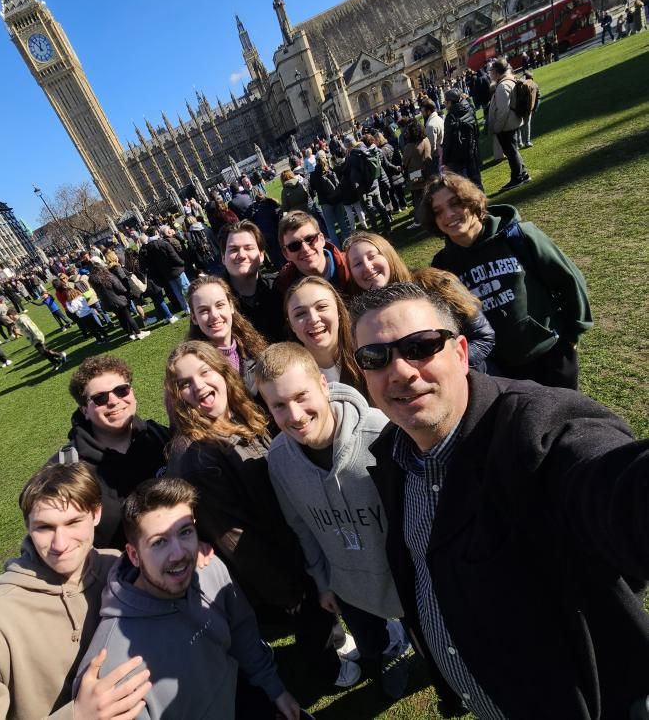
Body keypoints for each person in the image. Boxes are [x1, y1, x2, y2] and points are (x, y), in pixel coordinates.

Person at [349, 281, 649, 720]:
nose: (400, 371)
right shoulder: (393, 454)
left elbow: (612, 488)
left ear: (461, 352)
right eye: (376, 357)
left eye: (421, 346)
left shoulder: (538, 428)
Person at [164, 341, 360, 689]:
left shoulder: (236, 415)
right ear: (176, 395)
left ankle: (335, 638)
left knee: (321, 607)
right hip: (274, 563)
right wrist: (287, 588)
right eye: (184, 383)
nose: (198, 388)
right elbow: (234, 536)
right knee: (308, 615)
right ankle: (328, 669)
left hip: (292, 537)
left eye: (204, 372)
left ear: (223, 372)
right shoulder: (196, 455)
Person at [0, 462, 151, 719]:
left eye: (73, 522)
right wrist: (76, 716)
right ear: (29, 527)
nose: (60, 544)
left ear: (96, 514)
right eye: (45, 527)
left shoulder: (116, 567)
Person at [74, 477, 302, 720]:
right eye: (159, 542)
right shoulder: (113, 664)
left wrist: (273, 688)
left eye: (185, 532)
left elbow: (241, 630)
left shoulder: (209, 568)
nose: (179, 553)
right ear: (134, 555)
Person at [255, 343, 410, 699]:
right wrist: (324, 581)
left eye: (301, 396)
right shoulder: (279, 460)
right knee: (372, 645)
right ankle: (388, 653)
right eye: (278, 405)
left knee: (430, 643)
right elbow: (301, 526)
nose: (294, 415)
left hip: (400, 576)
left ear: (324, 386)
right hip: (346, 583)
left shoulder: (381, 434)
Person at [424, 172, 592, 389]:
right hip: (502, 371)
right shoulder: (443, 266)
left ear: (472, 201)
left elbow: (568, 279)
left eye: (455, 203)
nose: (448, 215)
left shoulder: (517, 235)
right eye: (438, 212)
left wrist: (572, 335)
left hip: (551, 352)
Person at [49, 355, 171, 549]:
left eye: (121, 390)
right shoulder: (65, 469)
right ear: (85, 411)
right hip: (126, 575)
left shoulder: (158, 435)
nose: (114, 401)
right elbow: (47, 541)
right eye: (100, 398)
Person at [344, 231, 495, 371]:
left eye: (372, 256)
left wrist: (449, 369)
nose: (367, 267)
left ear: (388, 255)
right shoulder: (363, 320)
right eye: (357, 264)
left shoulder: (437, 284)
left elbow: (483, 336)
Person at [284, 276, 367, 394]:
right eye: (300, 313)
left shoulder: (367, 352)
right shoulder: (289, 376)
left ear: (338, 311)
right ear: (291, 325)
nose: (313, 319)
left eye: (322, 307)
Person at [186, 276, 268, 393]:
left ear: (231, 306)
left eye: (219, 305)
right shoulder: (192, 367)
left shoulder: (253, 347)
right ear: (194, 318)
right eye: (204, 310)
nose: (214, 315)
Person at [219, 220, 286, 342]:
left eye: (248, 248)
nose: (242, 255)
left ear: (261, 255)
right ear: (223, 258)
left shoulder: (280, 288)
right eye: (233, 249)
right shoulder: (215, 302)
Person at [276, 211, 351, 296]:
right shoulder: (284, 288)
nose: (305, 249)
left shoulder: (352, 265)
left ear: (322, 239)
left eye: (310, 239)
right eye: (294, 246)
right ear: (286, 254)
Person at [488, 58, 531, 192]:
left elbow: (503, 111)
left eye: (491, 72)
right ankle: (522, 174)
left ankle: (517, 177)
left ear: (495, 72)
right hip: (512, 121)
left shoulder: (502, 86)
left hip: (507, 125)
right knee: (513, 150)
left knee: (511, 151)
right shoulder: (510, 80)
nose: (490, 75)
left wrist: (497, 128)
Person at [88, 263, 150, 341]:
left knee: (121, 319)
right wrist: (125, 292)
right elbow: (120, 288)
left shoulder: (93, 282)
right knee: (128, 317)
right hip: (119, 300)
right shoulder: (109, 277)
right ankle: (139, 333)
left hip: (108, 303)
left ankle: (130, 334)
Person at [442, 88, 482, 190]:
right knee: (476, 181)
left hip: (458, 157)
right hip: (472, 150)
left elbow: (447, 141)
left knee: (465, 187)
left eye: (445, 101)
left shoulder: (450, 117)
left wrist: (444, 161)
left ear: (450, 102)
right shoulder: (469, 108)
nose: (444, 104)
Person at [308, 151, 350, 247]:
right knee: (342, 222)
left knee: (331, 228)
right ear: (325, 158)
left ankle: (337, 248)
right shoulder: (331, 169)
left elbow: (312, 190)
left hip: (325, 202)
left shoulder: (313, 175)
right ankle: (349, 243)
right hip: (337, 199)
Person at [400, 119, 433, 230]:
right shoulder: (426, 140)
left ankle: (419, 220)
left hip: (415, 174)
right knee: (427, 194)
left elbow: (404, 162)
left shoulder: (409, 147)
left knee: (417, 198)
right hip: (427, 170)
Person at [518, 71, 540, 149]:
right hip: (528, 108)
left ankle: (519, 142)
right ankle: (527, 141)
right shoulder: (535, 85)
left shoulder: (518, 84)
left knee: (519, 126)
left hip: (519, 108)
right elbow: (538, 97)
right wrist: (535, 109)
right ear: (532, 78)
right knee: (527, 124)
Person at [421, 99, 444, 170]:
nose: (422, 114)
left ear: (428, 111)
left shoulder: (430, 125)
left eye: (423, 112)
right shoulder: (439, 118)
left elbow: (431, 147)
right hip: (442, 153)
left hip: (437, 158)